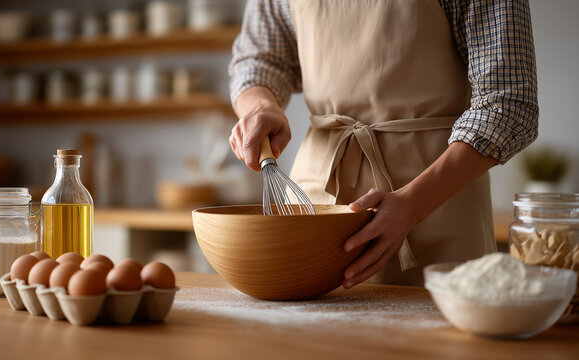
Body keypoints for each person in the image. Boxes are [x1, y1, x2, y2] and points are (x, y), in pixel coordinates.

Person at [228, 0, 539, 287]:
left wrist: (412, 205)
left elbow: (508, 103)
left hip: (438, 206)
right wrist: (259, 106)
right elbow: (258, 60)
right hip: (315, 206)